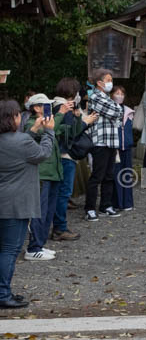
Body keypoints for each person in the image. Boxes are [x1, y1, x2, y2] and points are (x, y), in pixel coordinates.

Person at [0, 99, 56, 308]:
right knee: (9, 250)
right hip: (16, 203)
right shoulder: (21, 141)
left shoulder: (16, 140)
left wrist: (32, 130)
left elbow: (21, 148)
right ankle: (3, 294)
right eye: (17, 115)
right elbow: (42, 154)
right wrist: (49, 132)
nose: (19, 118)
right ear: (11, 118)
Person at [51, 78, 95, 242]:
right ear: (72, 92)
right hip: (65, 155)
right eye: (77, 92)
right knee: (64, 193)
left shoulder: (54, 105)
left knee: (59, 193)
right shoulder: (64, 108)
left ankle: (57, 226)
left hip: (58, 155)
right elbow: (69, 134)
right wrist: (85, 122)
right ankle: (60, 228)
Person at [22, 94, 62, 260]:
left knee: (48, 211)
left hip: (53, 173)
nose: (49, 108)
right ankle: (33, 247)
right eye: (46, 105)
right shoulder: (33, 124)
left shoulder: (47, 123)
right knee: (39, 212)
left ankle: (40, 244)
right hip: (41, 174)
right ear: (37, 108)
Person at [85, 68, 124, 221]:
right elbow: (116, 112)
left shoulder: (106, 97)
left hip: (112, 140)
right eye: (108, 80)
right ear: (99, 83)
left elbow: (118, 113)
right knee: (97, 175)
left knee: (109, 175)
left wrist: (116, 110)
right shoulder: (95, 96)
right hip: (100, 141)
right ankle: (89, 208)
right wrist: (117, 110)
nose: (110, 83)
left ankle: (105, 205)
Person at [112, 86, 134, 212]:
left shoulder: (128, 111)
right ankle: (117, 203)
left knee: (127, 175)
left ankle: (127, 203)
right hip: (115, 148)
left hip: (127, 147)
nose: (119, 95)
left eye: (122, 93)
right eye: (117, 93)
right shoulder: (109, 110)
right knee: (115, 175)